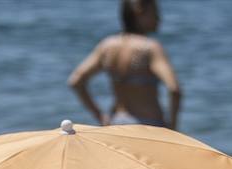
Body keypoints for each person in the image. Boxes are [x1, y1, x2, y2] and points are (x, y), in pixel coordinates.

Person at [68, 0, 181, 129]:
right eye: (155, 12)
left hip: (116, 123)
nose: (159, 18)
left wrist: (99, 115)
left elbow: (76, 81)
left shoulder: (108, 45)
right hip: (149, 125)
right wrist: (173, 128)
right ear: (140, 12)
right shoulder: (150, 48)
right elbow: (174, 89)